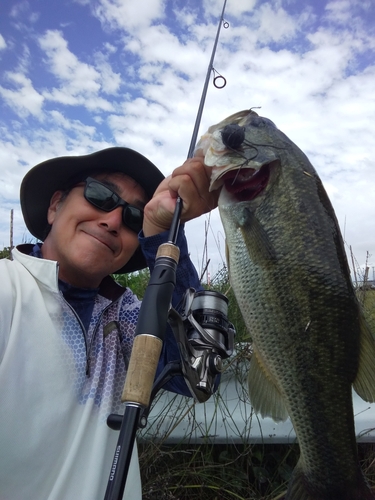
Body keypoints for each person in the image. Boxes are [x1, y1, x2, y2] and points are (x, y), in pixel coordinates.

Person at [0, 147, 218, 500]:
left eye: (133, 218)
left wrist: (165, 236)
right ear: (55, 206)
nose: (114, 220)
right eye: (100, 196)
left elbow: (199, 376)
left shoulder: (126, 316)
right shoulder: (6, 289)